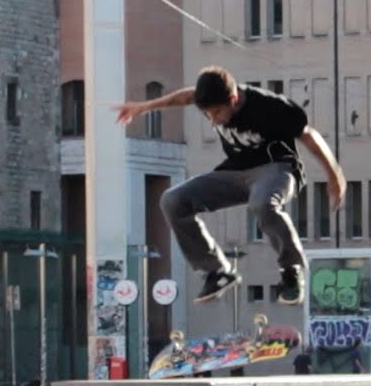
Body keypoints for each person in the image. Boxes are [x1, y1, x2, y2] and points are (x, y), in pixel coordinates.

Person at [114, 66, 347, 306]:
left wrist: (334, 175)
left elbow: (308, 135)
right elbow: (185, 96)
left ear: (233, 99)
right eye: (208, 114)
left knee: (262, 203)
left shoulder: (269, 106)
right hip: (235, 172)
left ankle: (291, 270)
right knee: (173, 200)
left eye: (217, 112)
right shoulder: (209, 98)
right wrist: (144, 107)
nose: (214, 119)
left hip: (276, 169)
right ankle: (217, 271)